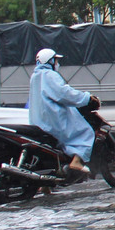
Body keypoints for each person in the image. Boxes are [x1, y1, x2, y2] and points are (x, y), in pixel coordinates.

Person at [28, 48, 94, 176]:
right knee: (85, 132)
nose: (58, 63)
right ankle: (76, 161)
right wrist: (86, 97)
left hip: (39, 121)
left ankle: (46, 184)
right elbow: (64, 94)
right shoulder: (50, 75)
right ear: (51, 61)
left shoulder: (35, 76)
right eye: (56, 60)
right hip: (53, 119)